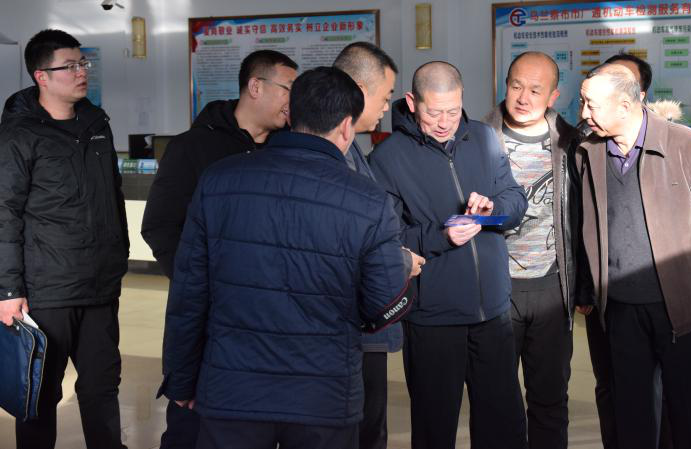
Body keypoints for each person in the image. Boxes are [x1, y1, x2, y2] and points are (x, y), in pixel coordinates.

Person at [161, 67, 424, 449]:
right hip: (323, 396)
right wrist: (402, 276)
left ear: (292, 114)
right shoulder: (367, 199)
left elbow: (188, 295)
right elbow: (382, 305)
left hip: (233, 390)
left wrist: (182, 379)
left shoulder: (219, 180)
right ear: (346, 127)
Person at [575, 63, 691, 449]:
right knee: (631, 415)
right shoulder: (588, 152)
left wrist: (689, 270)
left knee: (689, 415)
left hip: (682, 307)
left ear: (626, 105)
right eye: (582, 102)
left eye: (591, 105)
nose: (583, 113)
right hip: (619, 307)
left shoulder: (688, 145)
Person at [368, 61, 529, 449]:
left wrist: (492, 209)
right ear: (412, 102)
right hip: (432, 318)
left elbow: (516, 200)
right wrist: (441, 236)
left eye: (453, 112)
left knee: (504, 427)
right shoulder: (387, 157)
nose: (445, 123)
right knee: (434, 428)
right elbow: (384, 239)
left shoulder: (485, 137)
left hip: (492, 312)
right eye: (434, 112)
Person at [142, 49, 298, 449]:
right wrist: (197, 282)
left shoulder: (288, 150)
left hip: (272, 319)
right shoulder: (193, 148)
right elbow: (160, 226)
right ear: (255, 86)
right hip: (208, 318)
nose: (293, 100)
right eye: (288, 88)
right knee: (193, 424)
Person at [0, 29, 129, 449]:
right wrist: (8, 290)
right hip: (47, 289)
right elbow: (4, 213)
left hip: (99, 285)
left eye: (82, 63)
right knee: (40, 394)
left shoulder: (97, 123)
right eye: (69, 66)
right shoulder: (19, 135)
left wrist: (119, 257)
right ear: (42, 76)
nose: (81, 72)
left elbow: (112, 196)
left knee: (102, 388)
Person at [482, 51, 579, 449]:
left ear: (554, 96)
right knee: (493, 400)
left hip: (551, 287)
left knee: (550, 399)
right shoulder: (476, 139)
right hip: (494, 288)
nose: (523, 97)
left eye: (536, 90)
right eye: (516, 86)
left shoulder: (573, 144)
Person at [333, 41, 399, 449]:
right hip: (345, 326)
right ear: (359, 91)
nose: (386, 108)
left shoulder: (352, 147)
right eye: (385, 97)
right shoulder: (329, 160)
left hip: (365, 326)